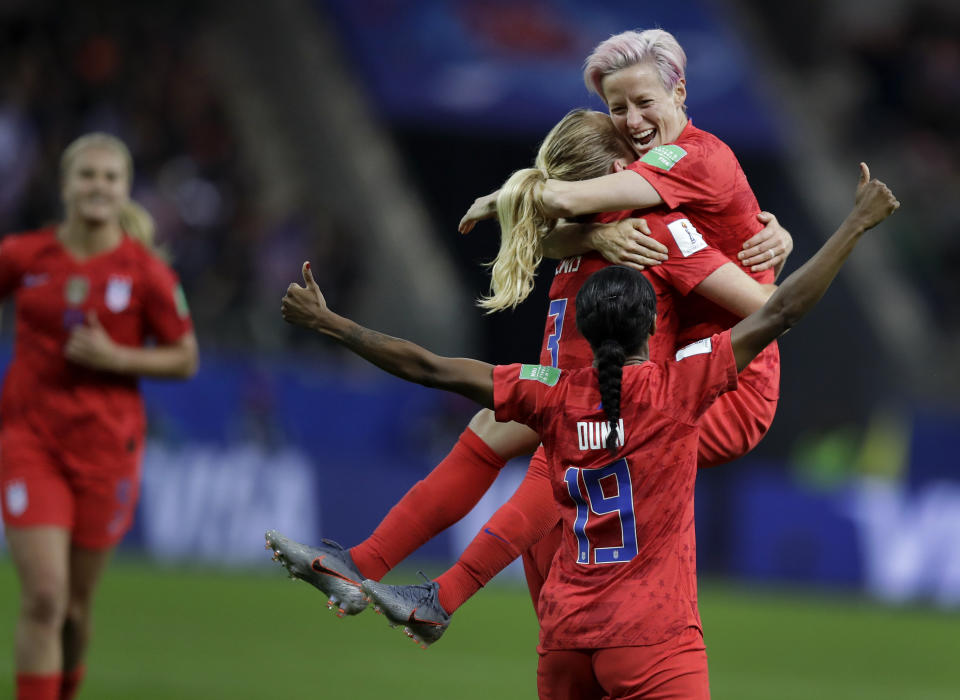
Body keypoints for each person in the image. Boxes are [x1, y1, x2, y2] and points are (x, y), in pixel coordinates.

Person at [278, 166, 898, 699]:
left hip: (570, 632)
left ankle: (434, 587)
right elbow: (783, 311)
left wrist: (330, 322)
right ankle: (421, 584)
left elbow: (428, 366)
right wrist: (853, 227)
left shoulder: (553, 391)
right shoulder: (675, 387)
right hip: (652, 634)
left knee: (530, 446)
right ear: (655, 321)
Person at [266, 27, 790, 630]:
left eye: (644, 103)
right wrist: (578, 227)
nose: (633, 120)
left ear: (680, 91)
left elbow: (762, 306)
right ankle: (360, 564)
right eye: (618, 108)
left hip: (723, 383)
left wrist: (514, 197)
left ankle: (443, 597)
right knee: (498, 424)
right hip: (650, 373)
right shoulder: (632, 214)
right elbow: (565, 222)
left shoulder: (684, 180)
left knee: (575, 440)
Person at [0, 133, 199, 700]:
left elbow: (185, 357)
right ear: (65, 186)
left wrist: (117, 357)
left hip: (107, 449)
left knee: (75, 609)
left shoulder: (147, 273)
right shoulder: (23, 256)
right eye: (87, 175)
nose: (98, 187)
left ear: (124, 190)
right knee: (44, 597)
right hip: (28, 442)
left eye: (110, 178)